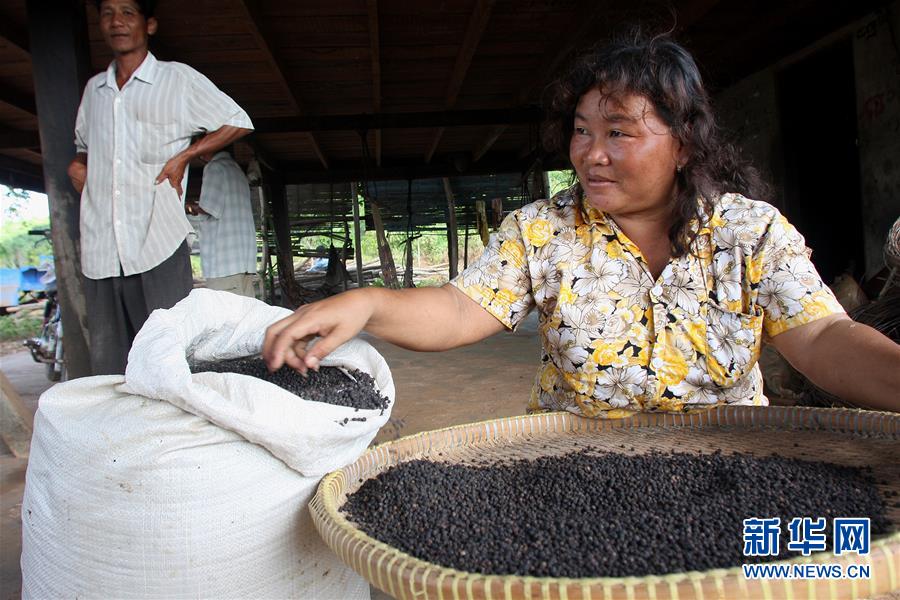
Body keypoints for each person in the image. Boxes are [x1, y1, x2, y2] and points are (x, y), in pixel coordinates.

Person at [262, 32, 900, 415]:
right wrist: (369, 303)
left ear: (683, 144)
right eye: (581, 131)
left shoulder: (749, 233)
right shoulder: (542, 231)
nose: (590, 154)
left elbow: (819, 340)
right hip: (578, 468)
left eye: (619, 133)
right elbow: (461, 311)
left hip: (727, 463)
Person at [66, 0, 253, 374]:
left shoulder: (176, 80)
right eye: (107, 14)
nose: (116, 21)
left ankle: (172, 429)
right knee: (111, 365)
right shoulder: (94, 92)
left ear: (148, 25)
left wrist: (186, 154)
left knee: (167, 357)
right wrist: (80, 165)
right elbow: (84, 149)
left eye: (127, 13)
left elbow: (237, 120)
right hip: (103, 247)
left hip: (156, 240)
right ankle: (121, 432)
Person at [186, 146, 258, 298]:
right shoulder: (237, 171)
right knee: (247, 316)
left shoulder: (214, 168)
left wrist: (191, 207)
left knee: (227, 317)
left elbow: (209, 207)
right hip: (244, 261)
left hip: (224, 265)